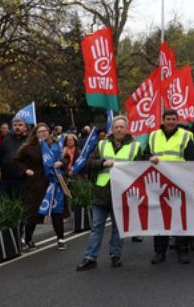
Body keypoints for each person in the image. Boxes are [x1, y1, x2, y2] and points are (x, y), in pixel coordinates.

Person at [76, 115, 143, 271]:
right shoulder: (101, 145)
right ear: (111, 129)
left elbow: (140, 170)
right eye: (116, 127)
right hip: (102, 191)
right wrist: (102, 163)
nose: (118, 129)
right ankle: (90, 258)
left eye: (121, 127)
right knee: (96, 227)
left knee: (118, 227)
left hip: (122, 192)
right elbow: (88, 163)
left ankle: (115, 255)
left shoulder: (135, 146)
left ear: (127, 129)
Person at [147, 108, 194, 265]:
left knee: (179, 218)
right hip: (157, 182)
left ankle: (182, 252)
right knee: (159, 219)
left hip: (179, 182)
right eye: (168, 119)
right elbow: (145, 155)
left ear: (177, 120)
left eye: (173, 119)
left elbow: (191, 160)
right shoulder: (153, 136)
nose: (170, 122)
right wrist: (150, 157)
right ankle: (159, 252)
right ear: (163, 120)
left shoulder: (185, 136)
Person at [15, 122, 71, 250]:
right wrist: (25, 170)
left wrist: (61, 162)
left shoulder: (55, 145)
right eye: (39, 132)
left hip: (54, 183)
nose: (42, 133)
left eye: (45, 131)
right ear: (35, 134)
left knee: (57, 212)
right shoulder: (29, 147)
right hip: (37, 184)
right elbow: (16, 160)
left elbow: (66, 158)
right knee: (34, 213)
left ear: (48, 132)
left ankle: (61, 238)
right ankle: (28, 239)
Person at [0, 119, 28, 199]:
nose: (17, 127)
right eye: (15, 125)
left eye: (20, 125)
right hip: (6, 180)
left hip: (23, 180)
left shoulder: (29, 141)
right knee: (6, 205)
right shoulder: (5, 140)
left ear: (25, 127)